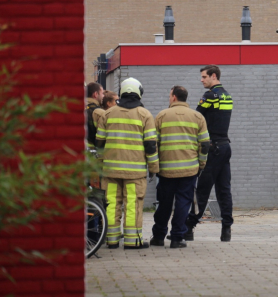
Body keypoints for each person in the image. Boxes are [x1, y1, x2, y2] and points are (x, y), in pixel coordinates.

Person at [95, 77, 159, 249]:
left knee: (111, 204)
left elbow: (99, 142)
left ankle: (111, 239)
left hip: (110, 171)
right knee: (132, 204)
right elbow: (151, 145)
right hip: (134, 173)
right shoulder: (145, 114)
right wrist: (153, 168)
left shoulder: (107, 114)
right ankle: (132, 241)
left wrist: (101, 164)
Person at [150, 86, 210, 249]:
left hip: (166, 170)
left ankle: (158, 236)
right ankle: (177, 238)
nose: (169, 98)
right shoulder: (197, 117)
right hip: (189, 170)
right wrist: (201, 164)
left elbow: (154, 143)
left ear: (174, 97)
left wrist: (154, 166)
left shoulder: (162, 116)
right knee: (183, 203)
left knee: (164, 203)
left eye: (170, 95)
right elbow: (204, 144)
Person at [186, 65, 234, 243]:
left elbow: (197, 118)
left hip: (212, 148)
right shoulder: (227, 95)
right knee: (224, 190)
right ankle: (226, 229)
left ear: (214, 76)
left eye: (204, 77)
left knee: (202, 190)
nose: (201, 80)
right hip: (225, 147)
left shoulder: (209, 96)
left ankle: (188, 227)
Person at [85, 82, 105, 149]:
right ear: (95, 94)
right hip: (92, 151)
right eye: (102, 93)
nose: (103, 96)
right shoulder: (99, 112)